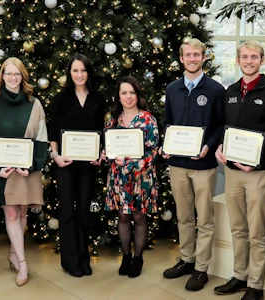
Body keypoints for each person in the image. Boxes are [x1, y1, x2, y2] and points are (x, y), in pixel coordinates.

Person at [160, 38, 226, 291]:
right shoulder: (172, 88)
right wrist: (167, 144)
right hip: (177, 163)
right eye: (187, 55)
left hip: (204, 165)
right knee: (184, 216)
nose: (192, 59)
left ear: (203, 57)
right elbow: (168, 121)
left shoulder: (215, 90)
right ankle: (187, 259)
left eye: (196, 54)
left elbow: (221, 125)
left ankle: (201, 268)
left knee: (205, 219)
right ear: (181, 58)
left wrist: (208, 145)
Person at [214, 41, 265, 300]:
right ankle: (239, 276)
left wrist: (257, 160)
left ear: (262, 60)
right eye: (244, 57)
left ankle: (256, 286)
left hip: (257, 173)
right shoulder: (229, 91)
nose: (248, 61)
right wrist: (219, 146)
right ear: (237, 60)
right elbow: (224, 127)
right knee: (238, 227)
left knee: (256, 230)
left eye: (253, 57)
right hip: (232, 172)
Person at [0, 57, 48, 287]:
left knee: (21, 214)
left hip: (26, 169)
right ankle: (22, 262)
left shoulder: (34, 103)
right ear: (2, 76)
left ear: (23, 76)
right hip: (4, 170)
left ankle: (13, 253)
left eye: (17, 74)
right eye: (8, 74)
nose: (12, 78)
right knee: (11, 214)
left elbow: (41, 139)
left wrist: (31, 166)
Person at [49, 53, 105, 277]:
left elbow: (101, 131)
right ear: (69, 73)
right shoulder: (60, 99)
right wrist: (55, 156)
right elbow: (53, 132)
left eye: (83, 70)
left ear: (88, 72)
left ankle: (84, 258)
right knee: (66, 212)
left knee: (83, 211)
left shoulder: (98, 99)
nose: (79, 75)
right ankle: (70, 261)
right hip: (65, 163)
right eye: (75, 70)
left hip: (88, 165)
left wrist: (101, 153)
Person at [104, 76, 159, 278]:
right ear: (118, 96)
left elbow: (153, 152)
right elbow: (108, 147)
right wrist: (107, 156)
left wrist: (132, 163)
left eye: (132, 92)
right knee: (123, 216)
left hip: (141, 177)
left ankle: (138, 258)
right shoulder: (112, 119)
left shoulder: (147, 119)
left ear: (138, 94)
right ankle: (126, 256)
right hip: (119, 177)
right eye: (124, 93)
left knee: (139, 216)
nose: (128, 97)